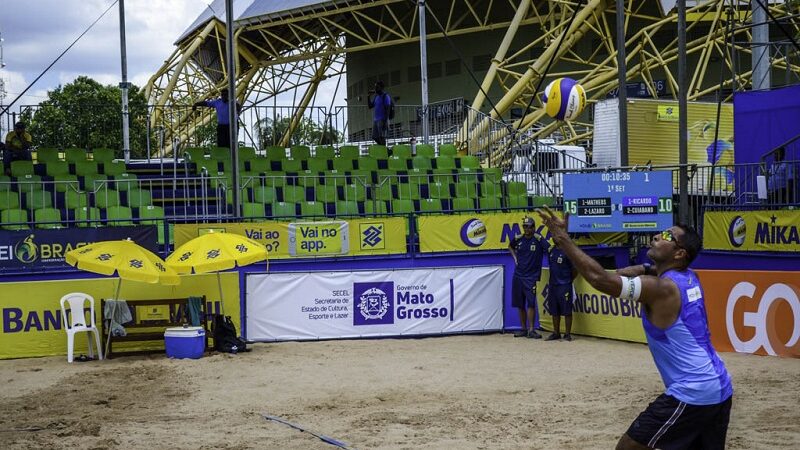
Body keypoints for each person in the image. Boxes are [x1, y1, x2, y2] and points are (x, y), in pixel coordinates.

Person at [537, 206, 733, 450]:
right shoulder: (689, 276)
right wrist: (640, 268)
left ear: (679, 253)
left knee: (628, 447)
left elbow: (601, 280)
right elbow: (645, 271)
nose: (657, 236)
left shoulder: (661, 289)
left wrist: (563, 239)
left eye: (668, 236)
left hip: (693, 393)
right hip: (720, 386)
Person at [508, 216, 546, 339]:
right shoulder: (519, 239)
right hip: (518, 275)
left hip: (531, 277)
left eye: (529, 227)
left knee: (531, 304)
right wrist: (515, 258)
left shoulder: (539, 239)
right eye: (525, 226)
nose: (527, 229)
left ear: (534, 227)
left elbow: (550, 249)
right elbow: (510, 246)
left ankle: (531, 330)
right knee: (520, 304)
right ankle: (523, 329)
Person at [544, 240, 576, 341]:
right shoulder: (551, 250)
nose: (554, 237)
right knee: (554, 310)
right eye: (552, 235)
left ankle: (567, 334)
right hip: (553, 284)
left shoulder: (568, 251)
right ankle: (556, 333)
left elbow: (575, 268)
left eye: (556, 235)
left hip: (565, 284)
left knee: (567, 310)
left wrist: (569, 280)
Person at [367, 80, 392, 146]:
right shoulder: (376, 97)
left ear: (381, 88)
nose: (375, 89)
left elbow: (388, 109)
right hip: (376, 120)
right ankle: (385, 150)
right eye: (375, 87)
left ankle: (384, 152)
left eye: (377, 87)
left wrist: (385, 121)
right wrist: (368, 97)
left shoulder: (385, 96)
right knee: (374, 136)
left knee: (382, 136)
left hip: (382, 120)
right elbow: (370, 106)